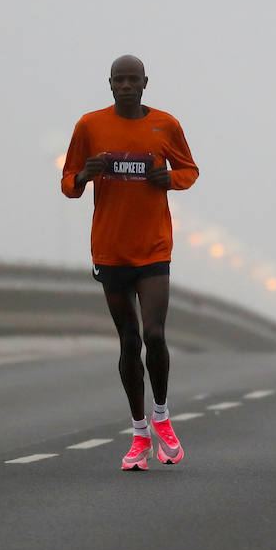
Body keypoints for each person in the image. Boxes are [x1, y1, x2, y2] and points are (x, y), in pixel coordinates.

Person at [61, 55, 200, 469]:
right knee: (129, 340)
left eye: (132, 80)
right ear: (109, 84)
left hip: (154, 248)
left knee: (155, 335)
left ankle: (162, 415)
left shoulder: (165, 124)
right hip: (110, 250)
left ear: (144, 83)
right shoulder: (90, 125)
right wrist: (85, 175)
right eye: (118, 80)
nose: (125, 86)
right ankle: (139, 431)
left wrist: (168, 179)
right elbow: (68, 184)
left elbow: (189, 170)